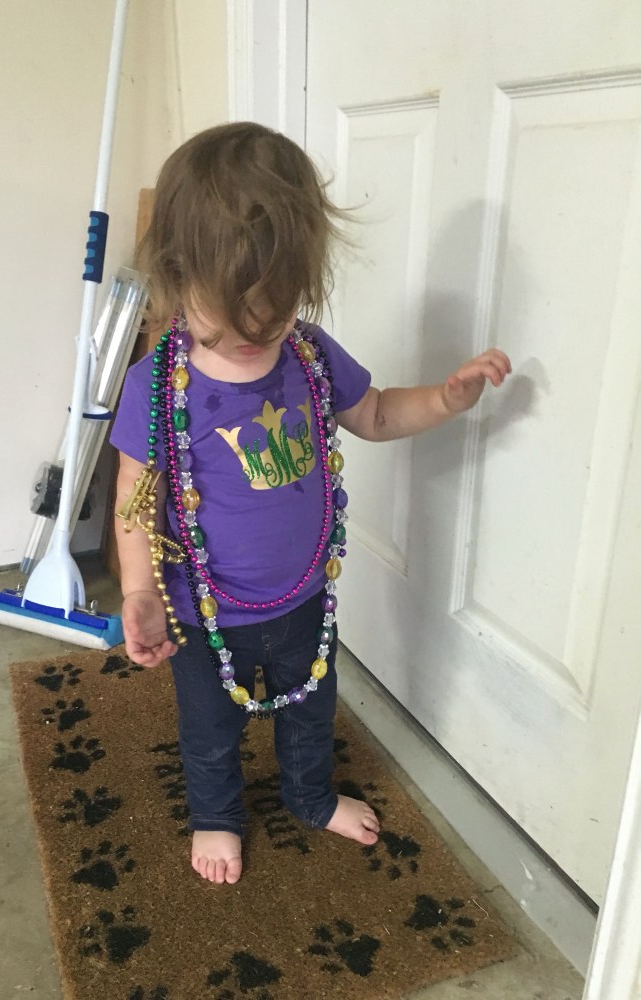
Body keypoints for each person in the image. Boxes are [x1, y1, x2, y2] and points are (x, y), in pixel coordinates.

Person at [110, 121, 511, 887]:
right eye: (228, 318)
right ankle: (217, 815)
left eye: (275, 310)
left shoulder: (311, 356)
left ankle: (310, 796)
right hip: (204, 610)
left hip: (303, 600)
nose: (254, 334)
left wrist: (446, 398)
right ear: (177, 276)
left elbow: (379, 413)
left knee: (312, 710)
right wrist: (138, 590)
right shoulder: (156, 386)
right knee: (209, 729)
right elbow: (137, 491)